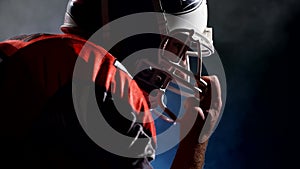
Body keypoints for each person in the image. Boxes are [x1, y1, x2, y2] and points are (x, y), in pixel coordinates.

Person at [0, 0, 222, 169]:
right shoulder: (108, 85)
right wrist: (196, 142)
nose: (180, 65)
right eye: (176, 46)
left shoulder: (27, 51)